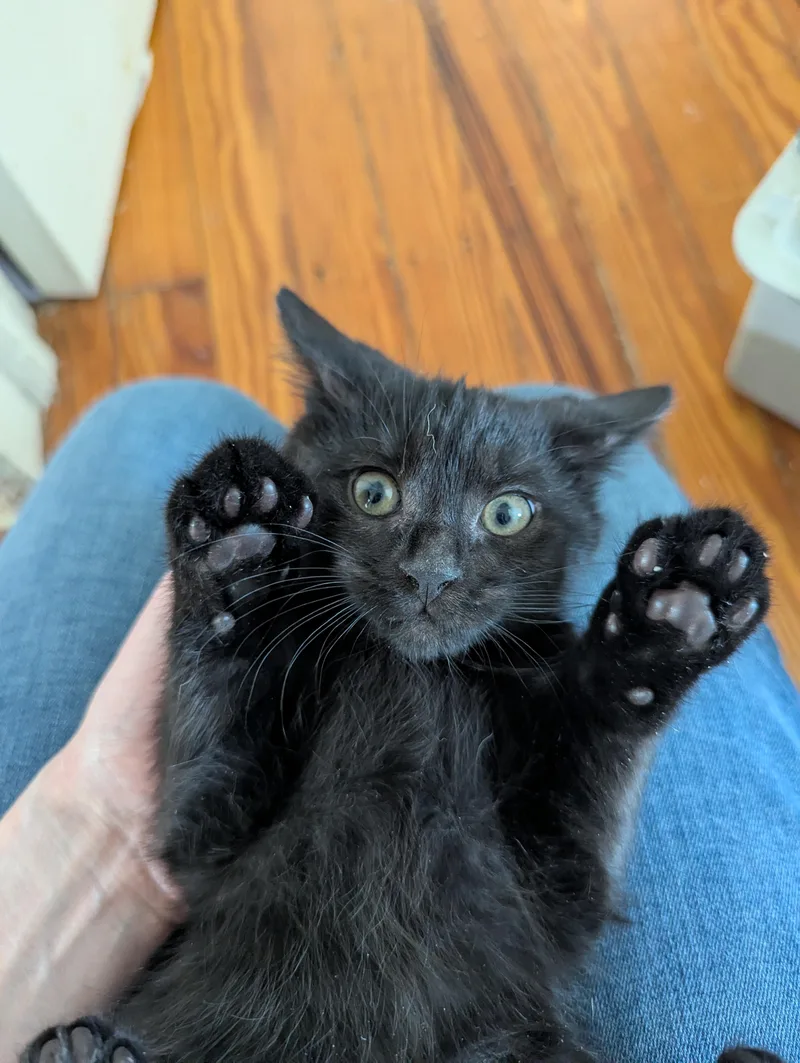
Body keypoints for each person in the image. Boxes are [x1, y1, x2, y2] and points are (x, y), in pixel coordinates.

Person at [0, 379, 797, 1063]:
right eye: (375, 494)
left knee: (152, 410)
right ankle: (634, 667)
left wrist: (616, 691)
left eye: (507, 514)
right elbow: (210, 829)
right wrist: (229, 632)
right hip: (260, 1012)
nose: (430, 567)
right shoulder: (315, 640)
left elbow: (561, 887)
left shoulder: (521, 659)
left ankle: (632, 666)